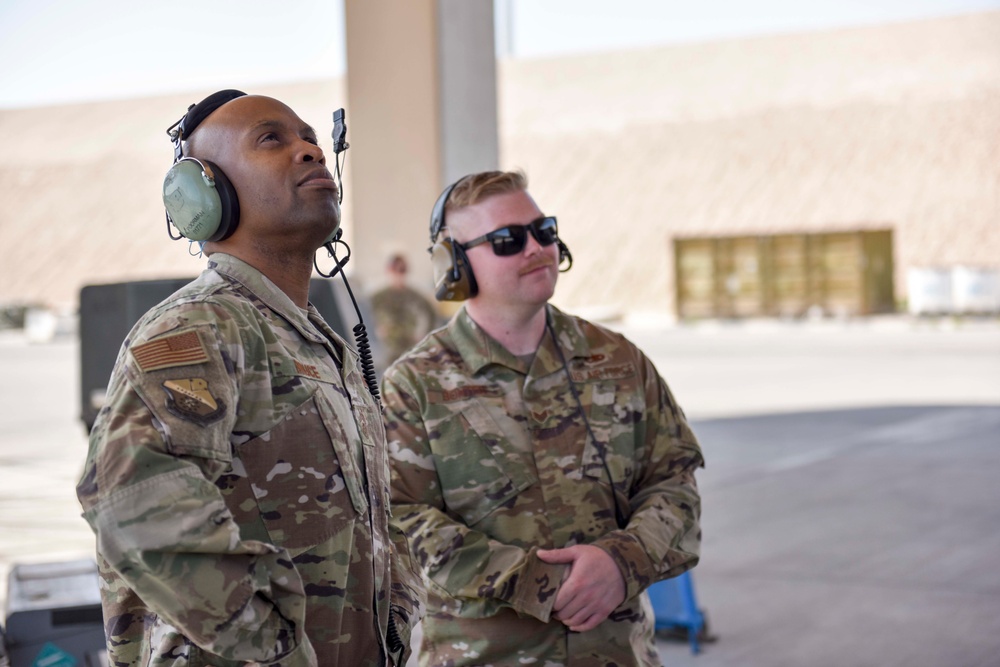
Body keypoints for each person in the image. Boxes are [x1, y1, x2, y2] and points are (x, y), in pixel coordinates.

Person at [76, 90, 423, 667]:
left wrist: (399, 614)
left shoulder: (312, 339)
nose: (310, 151)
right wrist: (272, 650)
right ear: (205, 196)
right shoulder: (201, 325)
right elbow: (129, 498)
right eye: (272, 139)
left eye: (310, 137)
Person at [381, 170, 704, 666]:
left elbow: (674, 484)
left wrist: (622, 561)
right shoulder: (415, 385)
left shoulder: (620, 361)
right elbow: (399, 520)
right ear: (455, 263)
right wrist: (542, 584)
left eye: (544, 231)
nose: (536, 248)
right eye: (508, 240)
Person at [370, 253, 439, 365]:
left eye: (402, 270)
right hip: (387, 349)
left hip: (410, 348)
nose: (398, 274)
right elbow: (364, 317)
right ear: (388, 270)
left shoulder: (416, 296)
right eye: (395, 269)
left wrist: (425, 336)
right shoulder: (377, 298)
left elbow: (432, 315)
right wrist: (376, 331)